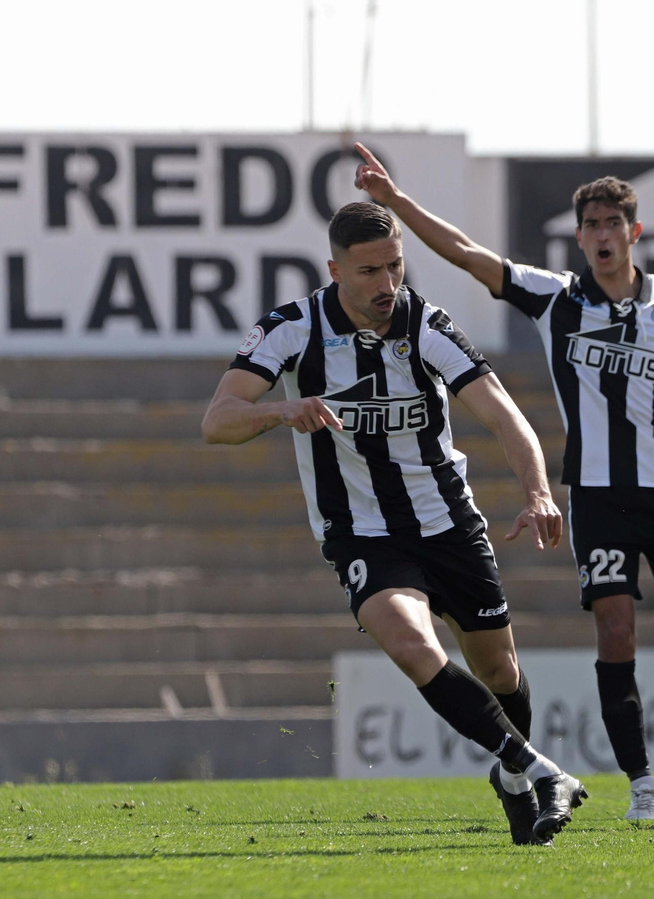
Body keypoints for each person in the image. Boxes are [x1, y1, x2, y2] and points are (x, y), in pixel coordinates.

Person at [353, 145, 654, 821]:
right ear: (580, 235)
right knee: (616, 630)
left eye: (610, 223)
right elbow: (470, 255)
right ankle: (641, 783)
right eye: (589, 224)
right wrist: (397, 204)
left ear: (634, 232)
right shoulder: (556, 297)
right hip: (596, 497)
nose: (599, 235)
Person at [201, 201, 586, 845]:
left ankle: (517, 777)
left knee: (500, 673)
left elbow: (502, 414)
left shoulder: (426, 324)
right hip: (362, 531)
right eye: (369, 271)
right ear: (335, 270)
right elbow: (217, 421)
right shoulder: (291, 329)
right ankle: (544, 771)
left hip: (448, 519)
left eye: (395, 266)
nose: (386, 284)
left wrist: (538, 492)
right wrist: (282, 410)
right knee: (412, 646)